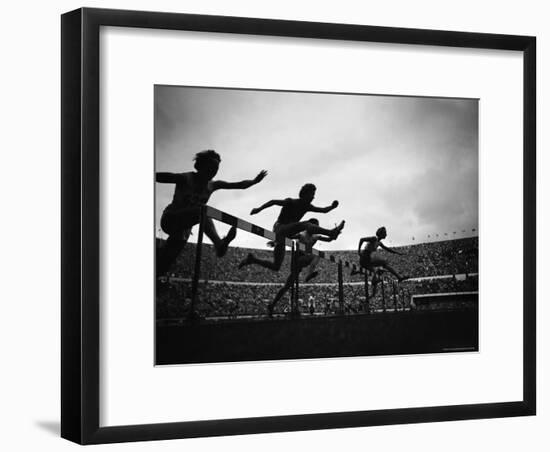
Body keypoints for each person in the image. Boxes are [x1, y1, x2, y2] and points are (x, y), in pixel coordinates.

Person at [156, 149, 267, 277]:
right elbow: (161, 177)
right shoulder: (186, 178)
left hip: (183, 229)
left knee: (164, 263)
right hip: (170, 218)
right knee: (204, 210)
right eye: (211, 168)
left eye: (216, 169)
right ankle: (218, 243)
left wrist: (254, 181)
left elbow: (238, 185)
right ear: (200, 166)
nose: (213, 172)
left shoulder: (212, 185)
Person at [239, 183, 345, 272]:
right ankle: (331, 232)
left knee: (276, 266)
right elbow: (273, 202)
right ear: (304, 194)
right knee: (306, 224)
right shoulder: (291, 202)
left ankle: (253, 259)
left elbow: (323, 210)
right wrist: (259, 209)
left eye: (314, 194)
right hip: (279, 228)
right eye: (312, 194)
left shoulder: (307, 206)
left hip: (286, 235)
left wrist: (332, 207)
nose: (313, 197)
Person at [266, 218, 334, 317]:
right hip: (297, 257)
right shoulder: (302, 234)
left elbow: (329, 239)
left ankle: (272, 305)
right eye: (314, 228)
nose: (315, 229)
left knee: (287, 285)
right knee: (317, 254)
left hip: (302, 260)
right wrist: (275, 242)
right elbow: (288, 237)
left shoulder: (316, 236)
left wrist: (335, 234)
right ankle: (309, 274)